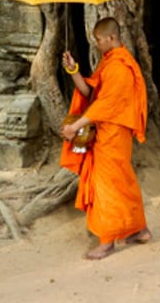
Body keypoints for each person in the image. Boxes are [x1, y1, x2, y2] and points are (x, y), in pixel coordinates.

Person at [59, 18, 152, 260]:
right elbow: (91, 93)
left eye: (99, 40)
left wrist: (75, 126)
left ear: (111, 38)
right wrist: (73, 70)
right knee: (122, 182)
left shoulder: (120, 67)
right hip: (106, 132)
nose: (97, 44)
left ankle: (108, 240)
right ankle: (139, 229)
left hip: (114, 134)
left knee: (107, 185)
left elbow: (105, 105)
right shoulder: (109, 62)